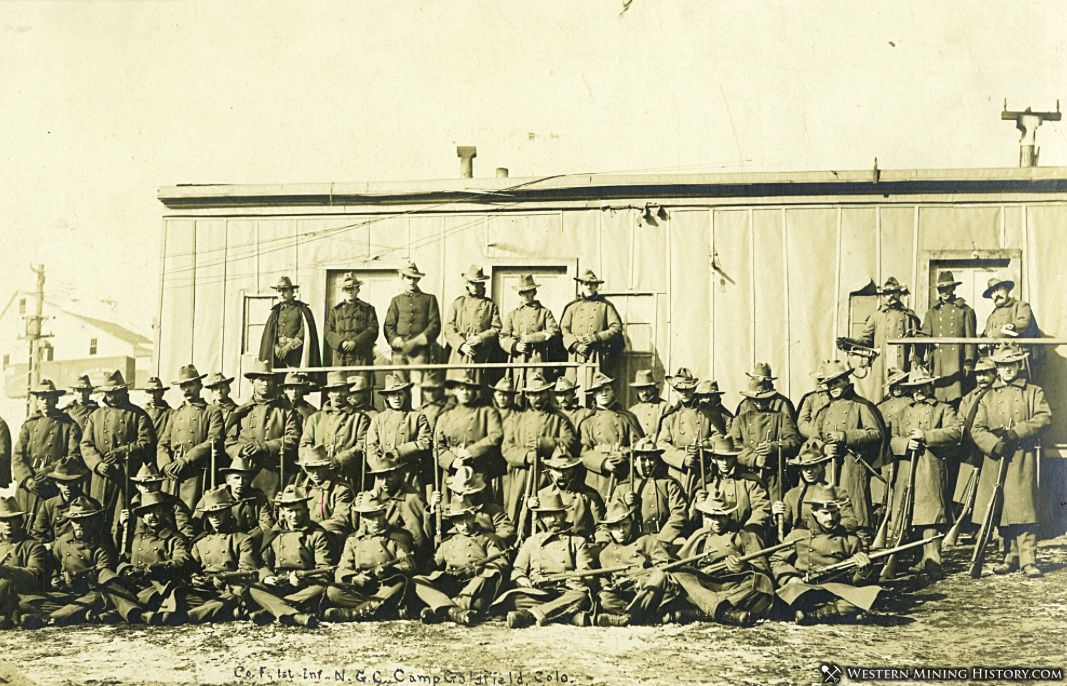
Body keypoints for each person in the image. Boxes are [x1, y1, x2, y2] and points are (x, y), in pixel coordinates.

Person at [970, 345, 1052, 578]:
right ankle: (1009, 557)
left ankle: (1028, 560)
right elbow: (977, 428)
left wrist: (1017, 432)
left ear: (1018, 365)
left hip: (1021, 457)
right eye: (1002, 365)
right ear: (997, 368)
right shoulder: (987, 396)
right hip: (995, 457)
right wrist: (993, 445)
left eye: (1011, 364)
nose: (1007, 370)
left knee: (1023, 508)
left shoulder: (1033, 391)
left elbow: (1044, 418)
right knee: (1002, 509)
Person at [886, 369, 962, 577]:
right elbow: (891, 439)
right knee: (905, 513)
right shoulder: (901, 412)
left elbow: (956, 432)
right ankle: (912, 558)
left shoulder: (943, 409)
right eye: (914, 388)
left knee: (931, 514)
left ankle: (932, 559)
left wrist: (926, 435)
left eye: (922, 386)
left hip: (931, 467)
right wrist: (905, 443)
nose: (918, 391)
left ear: (931, 387)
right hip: (906, 467)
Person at [26, 495, 144, 626]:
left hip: (92, 592)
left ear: (94, 520)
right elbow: (54, 563)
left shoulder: (102, 544)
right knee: (28, 601)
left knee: (101, 595)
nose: (79, 524)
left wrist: (77, 576)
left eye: (84, 520)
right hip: (68, 593)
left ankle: (51, 617)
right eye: (75, 520)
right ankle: (81, 613)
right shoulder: (63, 541)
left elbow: (103, 571)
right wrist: (55, 579)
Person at [770, 486, 880, 625]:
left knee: (869, 595)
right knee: (785, 596)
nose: (831, 518)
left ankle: (813, 615)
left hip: (834, 590)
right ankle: (838, 614)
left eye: (834, 513)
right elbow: (776, 560)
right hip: (804, 587)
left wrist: (863, 569)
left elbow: (857, 581)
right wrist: (791, 578)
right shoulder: (798, 536)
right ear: (814, 512)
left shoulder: (850, 540)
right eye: (825, 513)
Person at [667, 494, 775, 627]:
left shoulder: (743, 535)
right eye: (712, 517)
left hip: (733, 587)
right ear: (705, 516)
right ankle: (725, 612)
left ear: (728, 515)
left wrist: (744, 567)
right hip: (705, 587)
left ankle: (703, 612)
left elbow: (762, 570)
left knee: (760, 586)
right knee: (678, 576)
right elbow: (680, 563)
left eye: (721, 516)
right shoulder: (699, 535)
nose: (717, 521)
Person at [501, 488, 596, 629]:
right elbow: (517, 569)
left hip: (566, 591)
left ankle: (529, 616)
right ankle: (568, 615)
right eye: (547, 515)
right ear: (541, 518)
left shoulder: (577, 541)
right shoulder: (531, 541)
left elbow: (585, 571)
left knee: (581, 596)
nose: (553, 520)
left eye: (556, 514)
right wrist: (522, 578)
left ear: (564, 515)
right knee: (511, 599)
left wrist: (577, 579)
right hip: (538, 593)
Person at [811, 361, 885, 535]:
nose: (833, 387)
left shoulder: (861, 406)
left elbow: (875, 433)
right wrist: (823, 448)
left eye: (837, 382)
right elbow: (813, 439)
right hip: (828, 468)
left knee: (856, 514)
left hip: (853, 468)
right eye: (829, 384)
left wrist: (846, 436)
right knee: (829, 511)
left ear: (846, 380)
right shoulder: (823, 411)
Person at [414, 494, 510, 626]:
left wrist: (478, 569)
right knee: (418, 580)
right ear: (453, 521)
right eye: (459, 520)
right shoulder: (447, 542)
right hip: (452, 584)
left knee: (488, 574)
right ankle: (454, 611)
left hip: (475, 587)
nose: (465, 525)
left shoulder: (487, 539)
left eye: (468, 518)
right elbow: (434, 564)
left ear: (474, 516)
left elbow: (500, 562)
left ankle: (443, 609)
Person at [79, 370, 154, 540]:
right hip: (101, 477)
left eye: (116, 392)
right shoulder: (96, 416)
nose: (112, 396)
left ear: (124, 391)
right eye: (108, 393)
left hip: (126, 475)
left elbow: (147, 443)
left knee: (123, 519)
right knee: (98, 517)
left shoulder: (138, 415)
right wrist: (97, 464)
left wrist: (124, 451)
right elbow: (86, 444)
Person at [324, 491, 416, 623]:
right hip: (364, 588)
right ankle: (387, 610)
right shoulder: (353, 539)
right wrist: (354, 578)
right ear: (363, 517)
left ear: (385, 513)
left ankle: (351, 614)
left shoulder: (399, 536)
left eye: (379, 515)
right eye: (371, 517)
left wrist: (389, 572)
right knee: (333, 591)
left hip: (388, 586)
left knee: (400, 584)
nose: (376, 521)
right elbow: (342, 568)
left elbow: (408, 566)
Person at [500, 371, 577, 525]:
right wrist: (525, 456)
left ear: (547, 394)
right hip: (523, 474)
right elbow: (507, 448)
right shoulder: (517, 419)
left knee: (547, 513)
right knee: (518, 515)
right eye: (533, 394)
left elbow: (569, 442)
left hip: (548, 474)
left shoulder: (558, 418)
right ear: (527, 395)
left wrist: (545, 444)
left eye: (541, 393)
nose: (538, 398)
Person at [256, 485, 334, 627]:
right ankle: (293, 614)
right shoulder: (274, 534)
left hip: (304, 585)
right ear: (283, 512)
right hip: (280, 584)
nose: (294, 515)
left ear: (306, 510)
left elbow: (325, 570)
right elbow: (263, 563)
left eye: (298, 510)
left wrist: (303, 580)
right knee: (253, 588)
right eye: (290, 511)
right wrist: (267, 577)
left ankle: (273, 609)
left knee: (322, 588)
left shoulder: (316, 534)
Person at [224, 360, 300, 500]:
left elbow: (293, 438)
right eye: (261, 380)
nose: (265, 384)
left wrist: (265, 447)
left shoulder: (284, 411)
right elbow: (229, 442)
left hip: (272, 471)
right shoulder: (241, 411)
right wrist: (241, 450)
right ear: (252, 381)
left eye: (269, 380)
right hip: (245, 472)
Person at [186, 487, 260, 624]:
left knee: (231, 598)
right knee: (179, 595)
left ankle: (188, 617)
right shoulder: (199, 542)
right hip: (204, 589)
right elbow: (191, 567)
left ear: (228, 512)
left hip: (230, 588)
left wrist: (225, 581)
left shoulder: (242, 539)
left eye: (219, 512)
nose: (214, 517)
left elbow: (247, 571)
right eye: (210, 513)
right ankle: (231, 613)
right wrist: (193, 578)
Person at [118, 491, 192, 625]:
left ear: (164, 513)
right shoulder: (137, 538)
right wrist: (126, 570)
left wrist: (153, 568)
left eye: (156, 511)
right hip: (135, 586)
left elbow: (181, 561)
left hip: (158, 588)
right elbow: (124, 558)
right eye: (147, 513)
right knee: (108, 585)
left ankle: (129, 611)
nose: (151, 516)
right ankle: (139, 614)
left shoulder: (175, 538)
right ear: (143, 518)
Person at [593, 499, 671, 627]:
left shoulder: (647, 541)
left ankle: (629, 618)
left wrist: (644, 580)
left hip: (648, 591)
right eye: (616, 527)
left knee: (660, 576)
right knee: (604, 598)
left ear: (631, 524)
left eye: (625, 525)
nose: (622, 531)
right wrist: (608, 585)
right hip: (625, 595)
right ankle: (645, 615)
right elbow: (603, 577)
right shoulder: (605, 553)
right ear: (609, 529)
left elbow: (665, 565)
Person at [158, 364, 225, 512]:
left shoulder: (211, 412)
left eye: (191, 384)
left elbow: (213, 440)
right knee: (169, 511)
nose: (187, 389)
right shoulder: (175, 413)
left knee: (190, 512)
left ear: (200, 385)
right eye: (183, 386)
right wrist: (165, 465)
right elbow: (163, 443)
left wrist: (186, 460)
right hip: (173, 472)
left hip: (195, 472)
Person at [12, 379, 82, 521]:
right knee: (23, 525)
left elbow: (73, 457)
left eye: (49, 398)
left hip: (53, 486)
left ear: (56, 400)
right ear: (37, 401)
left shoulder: (69, 425)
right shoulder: (29, 424)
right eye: (42, 398)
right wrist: (27, 480)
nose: (45, 402)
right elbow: (18, 456)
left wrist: (50, 471)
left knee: (47, 525)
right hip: (29, 488)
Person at [435, 370, 505, 501]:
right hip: (453, 469)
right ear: (454, 391)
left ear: (474, 391)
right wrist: (451, 460)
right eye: (461, 389)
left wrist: (470, 452)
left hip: (477, 468)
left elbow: (496, 435)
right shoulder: (445, 416)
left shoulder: (487, 412)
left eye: (469, 389)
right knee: (453, 507)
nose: (465, 392)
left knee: (479, 508)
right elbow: (437, 445)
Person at [730, 377, 802, 503]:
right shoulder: (740, 420)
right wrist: (754, 459)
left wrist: (775, 447)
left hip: (774, 475)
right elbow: (733, 446)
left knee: (775, 511)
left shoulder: (780, 417)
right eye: (755, 399)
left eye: (764, 399)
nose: (759, 402)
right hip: (747, 475)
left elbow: (794, 442)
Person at [605, 438, 687, 546]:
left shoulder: (668, 484)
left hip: (665, 539)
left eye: (651, 459)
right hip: (634, 542)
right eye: (643, 459)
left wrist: (663, 540)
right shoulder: (623, 487)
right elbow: (611, 519)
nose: (647, 464)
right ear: (634, 462)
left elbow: (679, 514)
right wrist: (624, 503)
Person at [300, 371, 372, 491]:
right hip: (319, 477)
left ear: (348, 392)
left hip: (346, 476)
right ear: (328, 393)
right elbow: (304, 444)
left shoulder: (359, 418)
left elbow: (362, 445)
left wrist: (339, 460)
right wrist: (312, 465)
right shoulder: (316, 418)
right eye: (334, 390)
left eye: (342, 390)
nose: (338, 394)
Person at [578, 372, 643, 501]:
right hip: (596, 477)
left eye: (607, 390)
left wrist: (623, 454)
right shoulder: (587, 422)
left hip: (623, 475)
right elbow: (583, 452)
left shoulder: (627, 418)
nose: (603, 394)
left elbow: (639, 445)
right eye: (599, 391)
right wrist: (603, 463)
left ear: (613, 392)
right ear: (594, 395)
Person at [348, 453, 429, 555]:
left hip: (407, 551)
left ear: (399, 474)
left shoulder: (412, 498)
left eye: (389, 476)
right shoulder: (372, 498)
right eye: (380, 477)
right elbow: (360, 529)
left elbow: (423, 534)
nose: (384, 482)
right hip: (379, 551)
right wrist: (357, 508)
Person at [773, 439, 858, 536]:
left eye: (813, 466)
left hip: (829, 541)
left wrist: (831, 530)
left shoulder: (837, 492)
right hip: (801, 543)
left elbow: (850, 522)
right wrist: (776, 516)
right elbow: (783, 527)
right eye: (804, 467)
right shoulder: (792, 495)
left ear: (822, 466)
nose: (809, 471)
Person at [658, 368, 723, 495]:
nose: (684, 393)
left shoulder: (709, 412)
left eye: (687, 389)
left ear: (694, 389)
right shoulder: (670, 416)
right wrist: (683, 458)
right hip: (678, 473)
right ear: (674, 391)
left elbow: (720, 436)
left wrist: (705, 444)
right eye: (680, 390)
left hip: (704, 471)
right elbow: (662, 445)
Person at [693, 435, 770, 540]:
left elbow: (761, 508)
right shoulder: (706, 483)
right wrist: (697, 503)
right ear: (713, 459)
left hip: (743, 535)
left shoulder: (749, 482)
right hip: (713, 539)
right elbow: (691, 519)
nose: (725, 463)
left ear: (734, 458)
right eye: (720, 458)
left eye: (728, 458)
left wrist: (748, 531)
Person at [366, 374, 432, 496]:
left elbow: (425, 442)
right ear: (387, 398)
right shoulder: (378, 420)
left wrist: (399, 452)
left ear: (406, 395)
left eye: (400, 393)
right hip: (384, 478)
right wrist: (381, 467)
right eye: (392, 394)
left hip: (409, 476)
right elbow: (370, 447)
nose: (396, 398)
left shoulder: (417, 417)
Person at [921, 271, 977, 404]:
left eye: (947, 288)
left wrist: (969, 361)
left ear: (953, 288)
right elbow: (924, 334)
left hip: (957, 360)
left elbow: (971, 339)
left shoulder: (964, 310)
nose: (944, 292)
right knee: (937, 397)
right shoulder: (932, 312)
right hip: (938, 361)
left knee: (957, 397)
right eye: (941, 289)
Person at [950, 357, 997, 520]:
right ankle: (968, 524)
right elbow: (960, 419)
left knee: (988, 490)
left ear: (994, 374)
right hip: (971, 449)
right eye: (978, 374)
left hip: (990, 447)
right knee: (967, 491)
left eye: (986, 374)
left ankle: (987, 527)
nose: (982, 378)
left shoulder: (997, 393)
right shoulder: (969, 397)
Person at [498, 274, 561, 389]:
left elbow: (554, 331)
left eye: (528, 291)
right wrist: (515, 346)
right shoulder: (512, 314)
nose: (525, 295)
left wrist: (534, 337)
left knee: (537, 387)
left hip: (538, 358)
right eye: (522, 292)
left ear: (534, 292)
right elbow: (503, 337)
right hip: (517, 359)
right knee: (517, 388)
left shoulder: (545, 312)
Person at [559, 269, 624, 382]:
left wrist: (596, 337)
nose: (589, 287)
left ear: (597, 286)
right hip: (576, 353)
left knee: (595, 384)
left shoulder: (605, 306)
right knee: (574, 385)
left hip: (596, 354)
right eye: (586, 284)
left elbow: (616, 327)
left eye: (592, 284)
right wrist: (575, 345)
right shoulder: (572, 306)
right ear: (581, 286)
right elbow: (564, 329)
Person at [383, 261, 441, 383]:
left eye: (415, 278)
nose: (411, 281)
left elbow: (434, 325)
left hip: (420, 353)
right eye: (409, 278)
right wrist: (395, 340)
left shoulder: (429, 299)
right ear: (402, 278)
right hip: (399, 352)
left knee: (417, 387)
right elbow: (389, 325)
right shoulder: (396, 301)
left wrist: (415, 342)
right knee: (399, 386)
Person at [443, 266, 503, 383]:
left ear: (483, 284)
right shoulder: (458, 303)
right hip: (459, 353)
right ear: (467, 284)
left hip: (480, 353)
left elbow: (497, 328)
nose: (475, 287)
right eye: (472, 283)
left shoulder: (490, 305)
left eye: (478, 283)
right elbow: (448, 328)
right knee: (457, 386)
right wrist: (461, 345)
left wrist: (480, 338)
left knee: (477, 387)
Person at [857, 277, 922, 383]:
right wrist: (852, 343)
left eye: (894, 292)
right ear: (884, 295)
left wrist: (916, 365)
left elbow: (917, 343)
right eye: (887, 293)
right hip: (880, 363)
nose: (891, 296)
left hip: (901, 363)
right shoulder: (876, 316)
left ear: (900, 293)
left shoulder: (908, 315)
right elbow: (866, 339)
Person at [0, 496, 50, 628]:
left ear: (20, 521)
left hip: (21, 595)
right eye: (3, 520)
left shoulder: (33, 546)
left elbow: (35, 575)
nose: (8, 524)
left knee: (6, 583)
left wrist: (5, 570)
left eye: (12, 519)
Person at [195, 457, 275, 538]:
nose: (240, 482)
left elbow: (267, 525)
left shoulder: (258, 497)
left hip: (252, 539)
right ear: (228, 480)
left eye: (245, 478)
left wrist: (247, 538)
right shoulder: (214, 494)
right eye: (236, 478)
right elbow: (197, 521)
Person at [533, 449, 605, 539]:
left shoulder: (588, 496)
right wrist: (528, 507)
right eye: (557, 470)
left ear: (574, 470)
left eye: (566, 470)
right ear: (550, 470)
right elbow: (528, 530)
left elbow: (601, 528)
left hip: (580, 546)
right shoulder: (541, 495)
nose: (562, 475)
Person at [119, 462, 196, 543]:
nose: (148, 488)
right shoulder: (134, 504)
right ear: (137, 486)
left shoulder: (173, 503)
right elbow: (126, 537)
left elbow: (186, 531)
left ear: (158, 484)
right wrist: (122, 524)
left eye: (152, 483)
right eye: (143, 484)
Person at [258, 275, 322, 370]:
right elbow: (270, 334)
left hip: (296, 355)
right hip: (277, 355)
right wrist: (275, 347)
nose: (282, 294)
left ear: (292, 292)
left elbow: (305, 331)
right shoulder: (275, 312)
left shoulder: (301, 309)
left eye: (285, 291)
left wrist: (289, 347)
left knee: (294, 380)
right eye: (279, 291)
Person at [324, 271, 379, 378]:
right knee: (339, 386)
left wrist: (356, 342)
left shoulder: (367, 309)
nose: (350, 291)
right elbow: (328, 331)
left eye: (353, 288)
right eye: (347, 289)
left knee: (360, 388)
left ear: (358, 289)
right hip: (341, 356)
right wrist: (341, 343)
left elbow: (373, 329)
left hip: (360, 356)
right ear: (343, 290)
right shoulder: (336, 310)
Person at [298, 445, 355, 547]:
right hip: (304, 536)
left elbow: (340, 519)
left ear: (327, 466)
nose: (315, 473)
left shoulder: (341, 489)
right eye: (311, 469)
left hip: (330, 536)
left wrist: (314, 531)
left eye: (319, 468)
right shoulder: (301, 489)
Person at [442, 467, 515, 545]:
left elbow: (507, 531)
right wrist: (432, 512)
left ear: (476, 493)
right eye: (459, 494)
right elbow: (437, 534)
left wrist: (487, 543)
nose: (463, 498)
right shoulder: (449, 511)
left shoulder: (492, 510)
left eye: (469, 495)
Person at [981, 275, 1043, 366]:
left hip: (1018, 356)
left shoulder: (1020, 306)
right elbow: (986, 334)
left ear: (1007, 290)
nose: (996, 294)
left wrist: (1012, 326)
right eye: (993, 292)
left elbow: (1023, 323)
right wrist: (982, 342)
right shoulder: (992, 316)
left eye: (999, 289)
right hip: (997, 359)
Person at [31, 459, 91, 544]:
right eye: (63, 482)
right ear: (57, 483)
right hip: (55, 552)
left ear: (78, 482)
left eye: (71, 482)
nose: (67, 486)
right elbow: (37, 533)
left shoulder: (89, 504)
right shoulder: (49, 505)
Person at [628, 370, 670, 440]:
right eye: (641, 389)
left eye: (647, 388)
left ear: (654, 388)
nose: (644, 392)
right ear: (637, 390)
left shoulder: (665, 407)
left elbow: (666, 435)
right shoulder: (632, 411)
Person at [797, 362, 833, 439]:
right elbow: (802, 423)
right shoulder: (810, 398)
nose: (821, 382)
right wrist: (816, 435)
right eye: (820, 379)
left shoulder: (840, 396)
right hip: (815, 441)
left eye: (825, 379)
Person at [417, 372, 449, 436]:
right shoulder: (419, 410)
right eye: (427, 390)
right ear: (423, 392)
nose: (431, 394)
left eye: (434, 390)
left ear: (439, 390)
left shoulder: (447, 408)